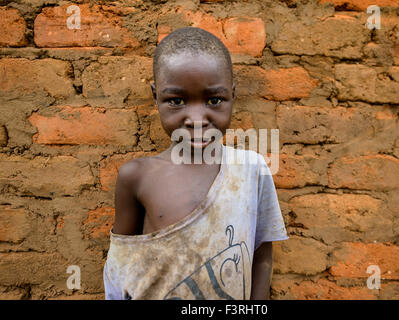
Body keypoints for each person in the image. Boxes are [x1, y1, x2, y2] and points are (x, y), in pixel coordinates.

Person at [103, 27, 288, 300]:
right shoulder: (137, 177)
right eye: (176, 101)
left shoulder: (251, 169)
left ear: (233, 95)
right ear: (155, 96)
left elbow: (261, 259)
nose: (197, 119)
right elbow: (119, 273)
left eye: (214, 100)